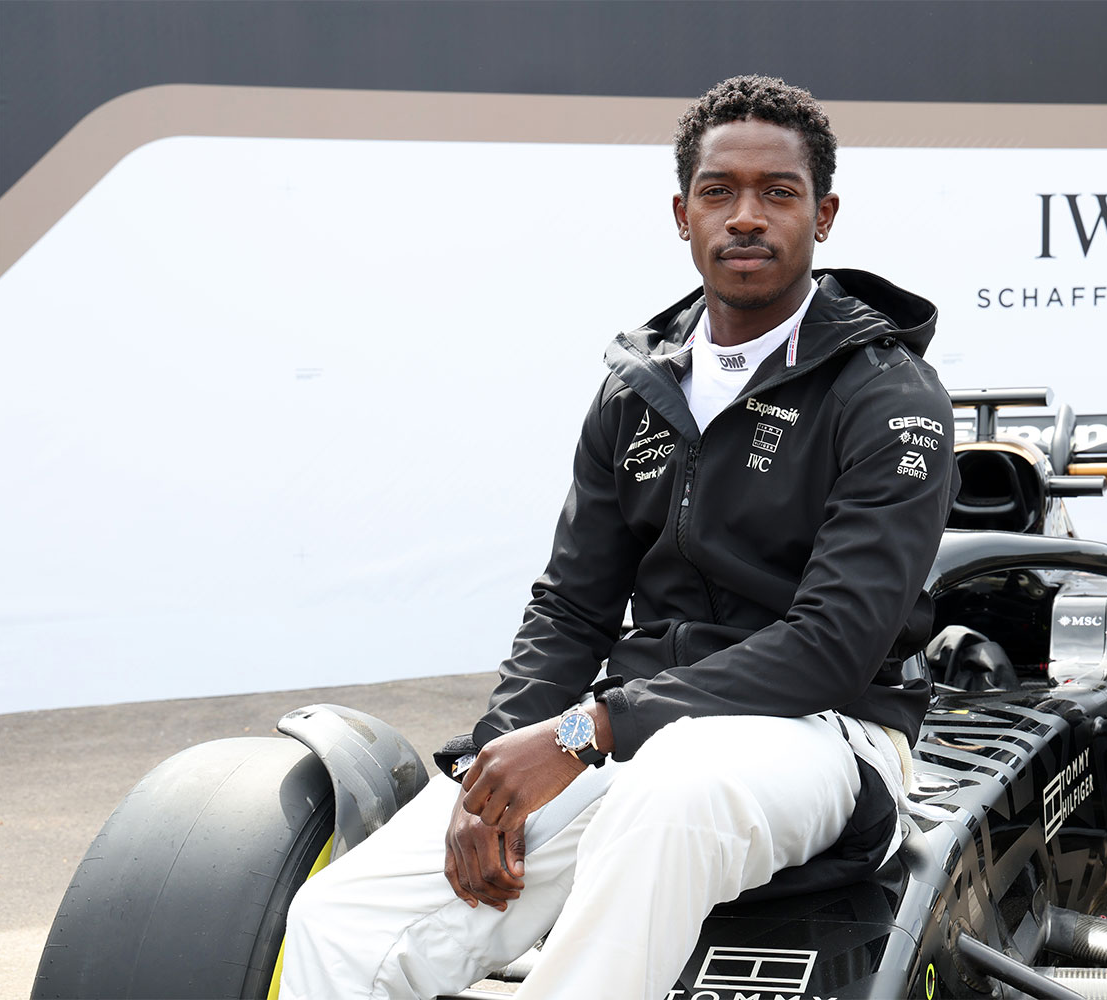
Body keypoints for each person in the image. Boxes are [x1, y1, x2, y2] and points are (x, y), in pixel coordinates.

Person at [280, 75, 957, 1000]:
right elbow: (572, 607)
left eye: (778, 192)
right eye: (718, 192)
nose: (746, 216)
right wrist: (490, 770)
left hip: (827, 733)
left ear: (824, 215)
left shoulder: (888, 392)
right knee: (340, 920)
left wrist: (588, 729)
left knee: (672, 786)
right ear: (683, 215)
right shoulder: (637, 387)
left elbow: (834, 647)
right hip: (643, 726)